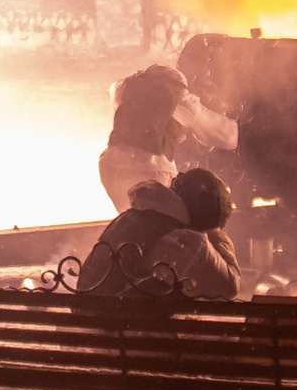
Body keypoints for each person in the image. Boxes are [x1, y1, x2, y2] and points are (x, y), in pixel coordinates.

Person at [78, 167, 241, 300]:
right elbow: (229, 287)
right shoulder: (187, 240)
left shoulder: (138, 215)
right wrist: (214, 232)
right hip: (117, 330)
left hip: (94, 318)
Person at [99, 62, 237, 210]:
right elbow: (228, 137)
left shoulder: (129, 89)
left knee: (132, 219)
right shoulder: (178, 99)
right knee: (173, 222)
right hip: (150, 168)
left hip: (110, 164)